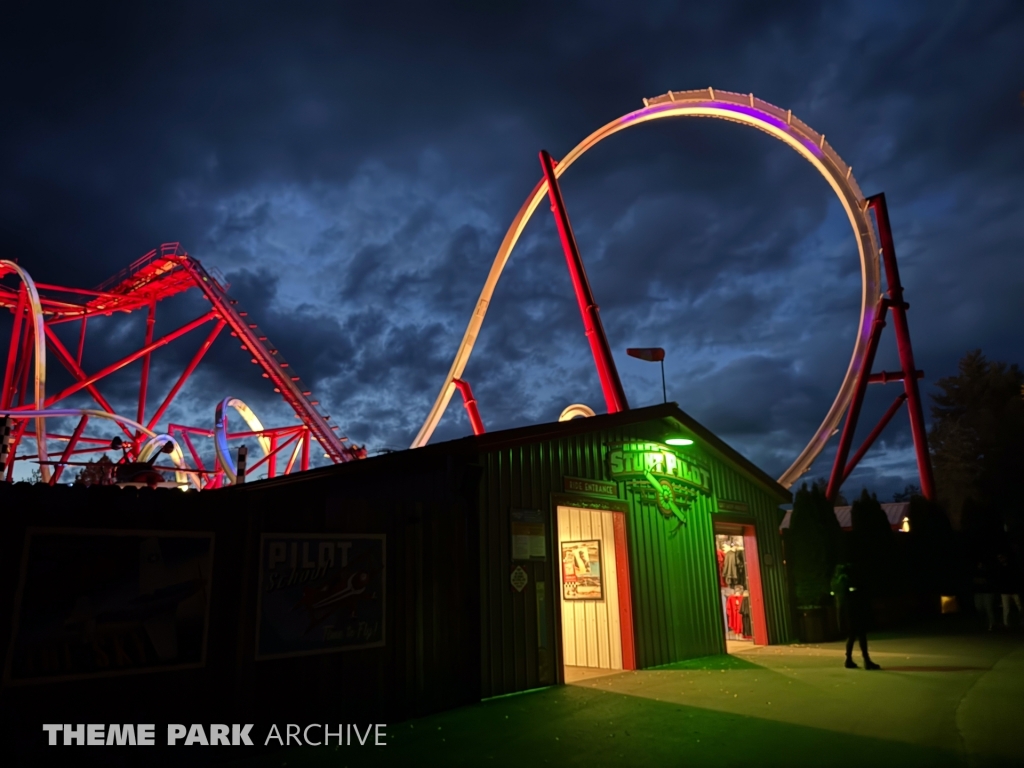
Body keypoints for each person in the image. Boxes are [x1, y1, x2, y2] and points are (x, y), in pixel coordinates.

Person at [832, 563, 881, 670]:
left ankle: (849, 659)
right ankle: (866, 660)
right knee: (861, 635)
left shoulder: (836, 582)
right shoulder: (846, 580)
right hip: (853, 611)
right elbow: (855, 592)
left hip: (844, 612)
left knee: (852, 636)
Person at [995, 552, 1022, 629]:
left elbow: (1017, 577)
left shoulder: (1012, 566)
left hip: (1014, 590)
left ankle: (1021, 622)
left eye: (1001, 557)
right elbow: (998, 579)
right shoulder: (999, 567)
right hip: (1004, 591)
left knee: (1019, 607)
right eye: (999, 558)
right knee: (1006, 608)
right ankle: (1006, 623)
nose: (1000, 559)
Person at [972, 559, 997, 631]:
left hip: (988, 592)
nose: (980, 565)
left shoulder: (988, 571)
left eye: (981, 564)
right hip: (978, 592)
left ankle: (992, 624)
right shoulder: (975, 571)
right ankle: (985, 623)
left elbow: (990, 581)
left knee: (988, 608)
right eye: (978, 564)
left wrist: (983, 581)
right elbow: (973, 581)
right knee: (979, 607)